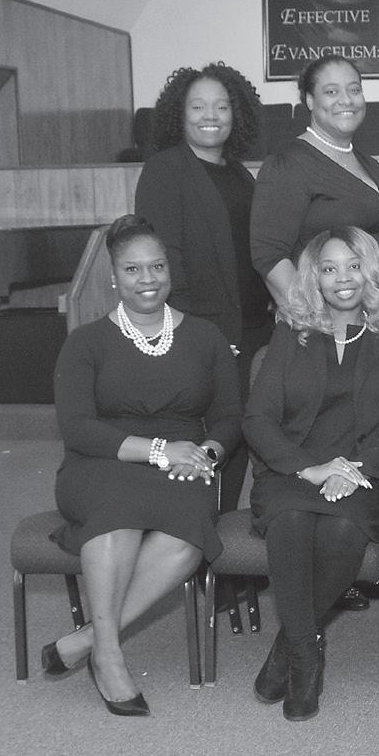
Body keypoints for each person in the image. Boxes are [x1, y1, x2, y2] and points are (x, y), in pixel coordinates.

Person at [41, 215, 241, 715]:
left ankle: (87, 638)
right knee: (116, 514)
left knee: (187, 532)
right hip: (100, 462)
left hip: (184, 464)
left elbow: (230, 417)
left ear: (169, 270)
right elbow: (77, 428)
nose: (147, 279)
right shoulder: (85, 341)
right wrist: (157, 449)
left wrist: (207, 453)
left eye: (157, 266)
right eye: (133, 269)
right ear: (114, 276)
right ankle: (108, 655)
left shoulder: (206, 336)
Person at [243, 226, 379, 721]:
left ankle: (289, 644)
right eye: (329, 268)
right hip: (293, 472)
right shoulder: (290, 333)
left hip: (365, 476)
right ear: (313, 278)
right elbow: (258, 418)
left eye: (354, 266)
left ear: (372, 273)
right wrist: (310, 468)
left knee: (342, 527)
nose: (343, 278)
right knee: (292, 521)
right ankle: (306, 655)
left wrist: (356, 471)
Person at [134, 62, 267, 516]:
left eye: (221, 106)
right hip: (202, 332)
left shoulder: (239, 174)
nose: (211, 115)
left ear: (236, 113)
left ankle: (221, 536)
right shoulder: (166, 170)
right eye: (198, 106)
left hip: (253, 330)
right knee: (202, 443)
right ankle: (192, 538)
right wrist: (196, 335)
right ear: (180, 114)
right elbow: (163, 260)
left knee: (238, 435)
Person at [250, 57, 379, 308]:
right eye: (331, 92)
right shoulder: (288, 165)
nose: (346, 100)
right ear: (310, 100)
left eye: (354, 89)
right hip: (318, 319)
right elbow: (269, 257)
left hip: (367, 315)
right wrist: (314, 318)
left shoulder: (370, 165)